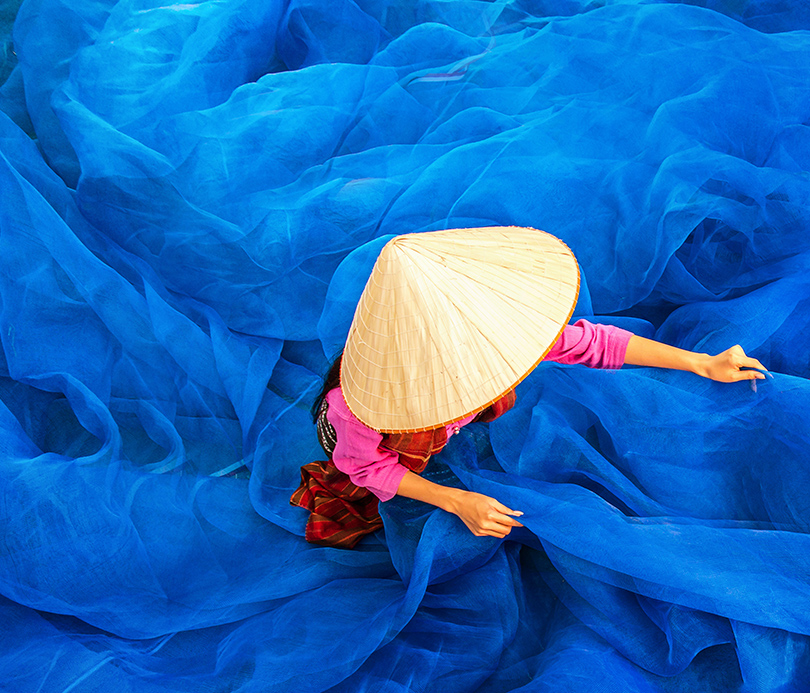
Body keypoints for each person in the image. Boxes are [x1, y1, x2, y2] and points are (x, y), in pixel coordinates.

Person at [292, 227, 766, 547]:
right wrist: (457, 500)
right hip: (384, 448)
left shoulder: (495, 334)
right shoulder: (355, 411)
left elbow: (591, 343)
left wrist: (701, 363)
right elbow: (367, 468)